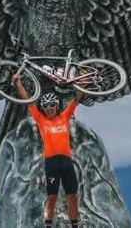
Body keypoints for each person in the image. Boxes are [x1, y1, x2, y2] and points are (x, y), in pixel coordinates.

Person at [12, 73, 83, 228]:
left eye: (52, 106)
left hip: (66, 161)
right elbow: (28, 101)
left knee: (72, 196)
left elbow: (76, 99)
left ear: (56, 107)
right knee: (52, 197)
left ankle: (75, 225)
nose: (50, 108)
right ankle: (48, 225)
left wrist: (82, 81)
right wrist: (18, 83)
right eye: (46, 106)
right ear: (43, 109)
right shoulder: (41, 119)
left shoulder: (64, 117)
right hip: (51, 162)